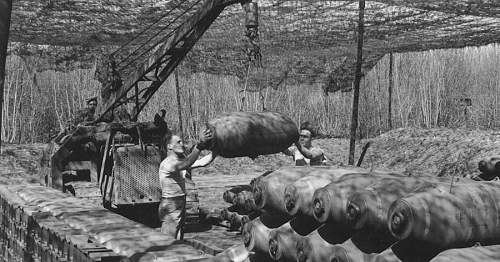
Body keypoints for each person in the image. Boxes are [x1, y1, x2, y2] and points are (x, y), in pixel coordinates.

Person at [158, 129, 217, 238]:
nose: (182, 144)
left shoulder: (179, 161)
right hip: (171, 204)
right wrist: (199, 146)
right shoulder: (167, 164)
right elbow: (187, 163)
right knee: (169, 237)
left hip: (180, 200)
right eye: (178, 142)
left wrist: (216, 151)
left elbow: (201, 162)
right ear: (169, 146)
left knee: (179, 232)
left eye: (182, 141)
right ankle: (167, 255)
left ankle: (177, 253)